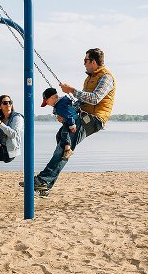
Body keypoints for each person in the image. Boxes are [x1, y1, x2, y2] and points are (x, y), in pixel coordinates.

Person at [27, 48, 116, 197]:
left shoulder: (106, 78)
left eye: (85, 61)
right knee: (61, 138)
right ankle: (46, 185)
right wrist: (67, 113)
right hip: (83, 116)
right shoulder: (89, 78)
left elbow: (95, 98)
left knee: (65, 143)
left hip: (94, 118)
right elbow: (82, 101)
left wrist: (72, 90)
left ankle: (43, 180)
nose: (84, 64)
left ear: (93, 62)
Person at [40, 87, 78, 160]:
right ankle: (60, 148)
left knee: (64, 133)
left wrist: (72, 125)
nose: (47, 104)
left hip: (72, 121)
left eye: (47, 101)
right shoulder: (59, 104)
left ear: (53, 97)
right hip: (68, 121)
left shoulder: (60, 106)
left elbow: (69, 115)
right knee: (58, 135)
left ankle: (67, 149)